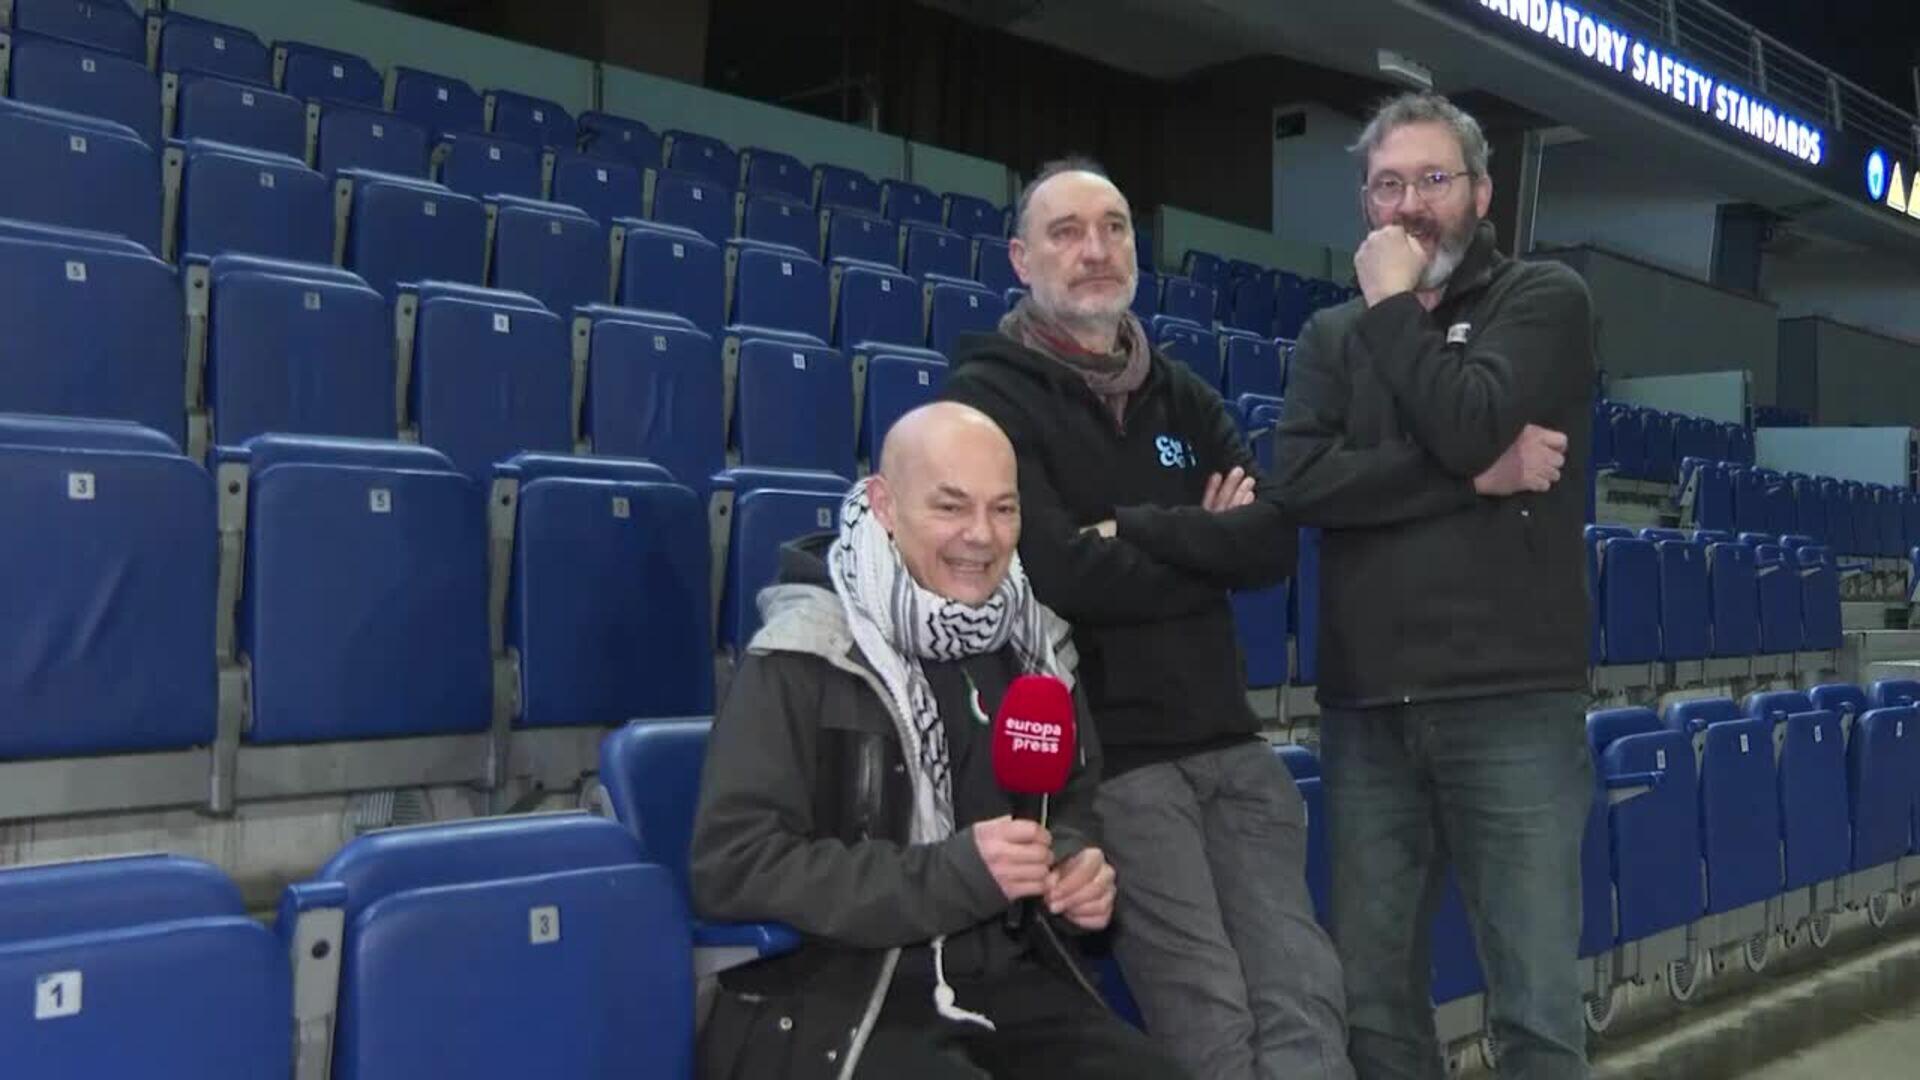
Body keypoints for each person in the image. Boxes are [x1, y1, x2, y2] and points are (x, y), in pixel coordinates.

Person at [942, 158, 1354, 1080]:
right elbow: (1057, 572)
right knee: (1205, 1008)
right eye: (1067, 231)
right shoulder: (986, 400)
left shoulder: (1183, 393)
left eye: (1116, 227)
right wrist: (1199, 544)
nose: (1097, 250)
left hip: (1233, 745)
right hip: (1114, 761)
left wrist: (1133, 526)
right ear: (1020, 257)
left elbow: (1269, 544)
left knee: (1303, 983)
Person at [689, 402, 1188, 1080]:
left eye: (1003, 510)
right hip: (840, 994)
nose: (980, 536)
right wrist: (955, 876)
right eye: (951, 508)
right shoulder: (805, 654)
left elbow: (1067, 804)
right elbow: (733, 867)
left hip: (1005, 980)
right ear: (885, 505)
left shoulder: (1036, 647)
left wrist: (1072, 869)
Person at [1272, 92, 1596, 1079]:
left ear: (1482, 193)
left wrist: (1392, 314)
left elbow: (1460, 418)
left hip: (1511, 700)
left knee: (1534, 1000)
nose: (1410, 204)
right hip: (1368, 704)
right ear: (1365, 204)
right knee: (1374, 999)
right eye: (1387, 184)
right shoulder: (1331, 338)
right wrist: (1475, 479)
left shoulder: (1541, 298)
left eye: (1433, 180)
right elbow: (1297, 485)